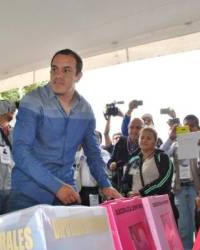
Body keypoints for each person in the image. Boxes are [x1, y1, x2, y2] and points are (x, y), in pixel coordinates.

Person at [8, 49, 121, 211]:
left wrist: (105, 185)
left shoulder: (86, 110)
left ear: (78, 76)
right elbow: (20, 151)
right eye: (54, 69)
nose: (58, 75)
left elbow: (94, 153)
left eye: (66, 70)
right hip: (28, 194)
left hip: (67, 194)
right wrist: (56, 187)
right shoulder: (33, 101)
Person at [161, 114, 200, 250]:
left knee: (198, 225)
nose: (189, 128)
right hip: (179, 189)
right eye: (186, 125)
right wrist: (171, 137)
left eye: (192, 125)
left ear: (197, 127)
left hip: (196, 189)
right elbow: (159, 155)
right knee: (184, 227)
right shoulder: (176, 144)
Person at [121, 127, 173, 198]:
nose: (144, 140)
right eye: (142, 138)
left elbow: (164, 180)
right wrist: (128, 192)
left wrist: (143, 192)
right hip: (136, 202)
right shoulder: (135, 160)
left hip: (157, 203)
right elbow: (126, 181)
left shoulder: (162, 157)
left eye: (148, 138)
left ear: (155, 142)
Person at [107, 118, 144, 193]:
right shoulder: (121, 141)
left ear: (143, 130)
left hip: (137, 190)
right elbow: (111, 160)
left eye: (138, 128)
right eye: (131, 127)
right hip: (118, 186)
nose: (134, 130)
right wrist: (111, 164)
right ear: (128, 129)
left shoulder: (145, 145)